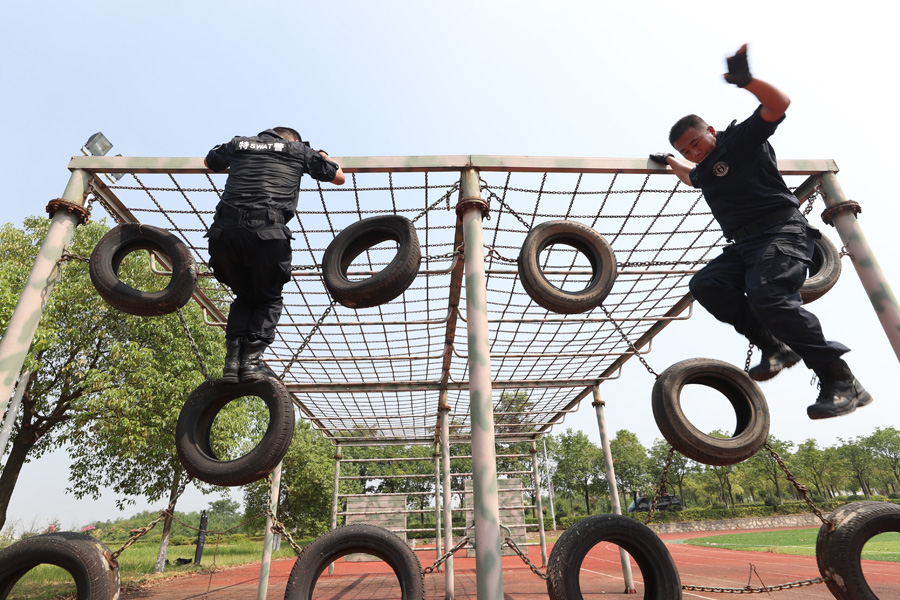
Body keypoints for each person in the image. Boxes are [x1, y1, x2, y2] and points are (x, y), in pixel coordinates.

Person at [649, 45, 872, 420]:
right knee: (707, 285)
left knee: (769, 294)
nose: (694, 151)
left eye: (695, 142)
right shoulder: (700, 169)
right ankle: (775, 347)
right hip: (745, 245)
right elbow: (694, 178)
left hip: (780, 230)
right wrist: (671, 162)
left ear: (711, 131)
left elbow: (779, 104)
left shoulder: (741, 141)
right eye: (686, 149)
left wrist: (747, 82)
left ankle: (842, 380)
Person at [205, 127, 345, 383]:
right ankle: (250, 363)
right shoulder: (298, 150)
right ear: (293, 139)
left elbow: (210, 162)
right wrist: (322, 155)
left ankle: (231, 364)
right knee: (269, 300)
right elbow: (338, 177)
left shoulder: (239, 144)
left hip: (224, 235)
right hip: (267, 234)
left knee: (245, 297)